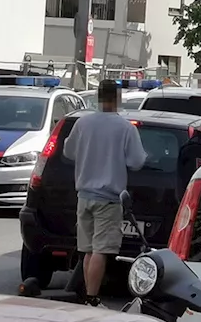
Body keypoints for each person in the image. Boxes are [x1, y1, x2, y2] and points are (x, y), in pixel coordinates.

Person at [61, 79, 149, 307]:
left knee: (88, 250)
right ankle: (92, 298)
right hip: (108, 198)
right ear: (117, 99)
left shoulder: (82, 123)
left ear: (99, 97)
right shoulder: (125, 128)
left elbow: (68, 152)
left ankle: (88, 295)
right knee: (101, 250)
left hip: (84, 196)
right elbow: (137, 161)